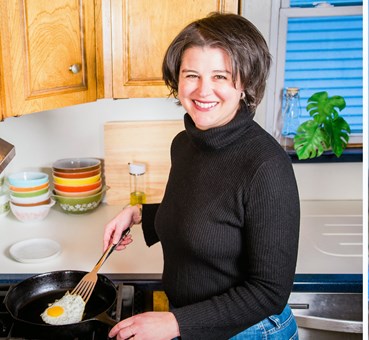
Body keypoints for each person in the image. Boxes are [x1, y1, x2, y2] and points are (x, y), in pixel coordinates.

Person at [102, 13, 300, 340]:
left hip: (251, 332)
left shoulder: (266, 166)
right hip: (197, 323)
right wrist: (139, 214)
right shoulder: (185, 143)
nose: (203, 90)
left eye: (220, 76)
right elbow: (198, 210)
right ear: (176, 79)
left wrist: (173, 324)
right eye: (191, 74)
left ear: (245, 85)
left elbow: (269, 292)